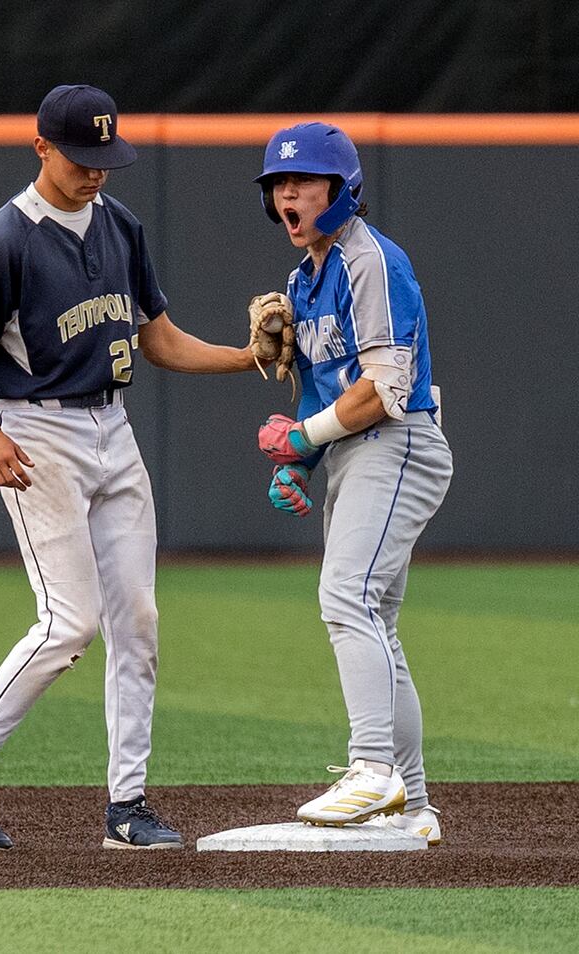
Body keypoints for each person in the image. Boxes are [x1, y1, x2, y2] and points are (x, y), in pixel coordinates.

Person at [0, 84, 256, 851]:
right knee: (71, 622)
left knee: (139, 620)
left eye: (104, 159)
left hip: (112, 427)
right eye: (79, 158)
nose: (95, 173)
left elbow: (156, 338)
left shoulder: (121, 226)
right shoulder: (4, 238)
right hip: (37, 432)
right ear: (41, 148)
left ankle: (127, 808)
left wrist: (245, 358)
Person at [253, 122, 453, 845]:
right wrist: (300, 462)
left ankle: (371, 769)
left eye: (302, 182)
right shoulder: (303, 279)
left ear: (341, 190)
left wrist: (304, 439)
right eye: (278, 184)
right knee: (376, 622)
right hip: (357, 454)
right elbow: (318, 394)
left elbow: (387, 387)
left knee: (346, 596)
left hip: (397, 443)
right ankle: (415, 806)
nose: (287, 196)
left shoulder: (370, 260)